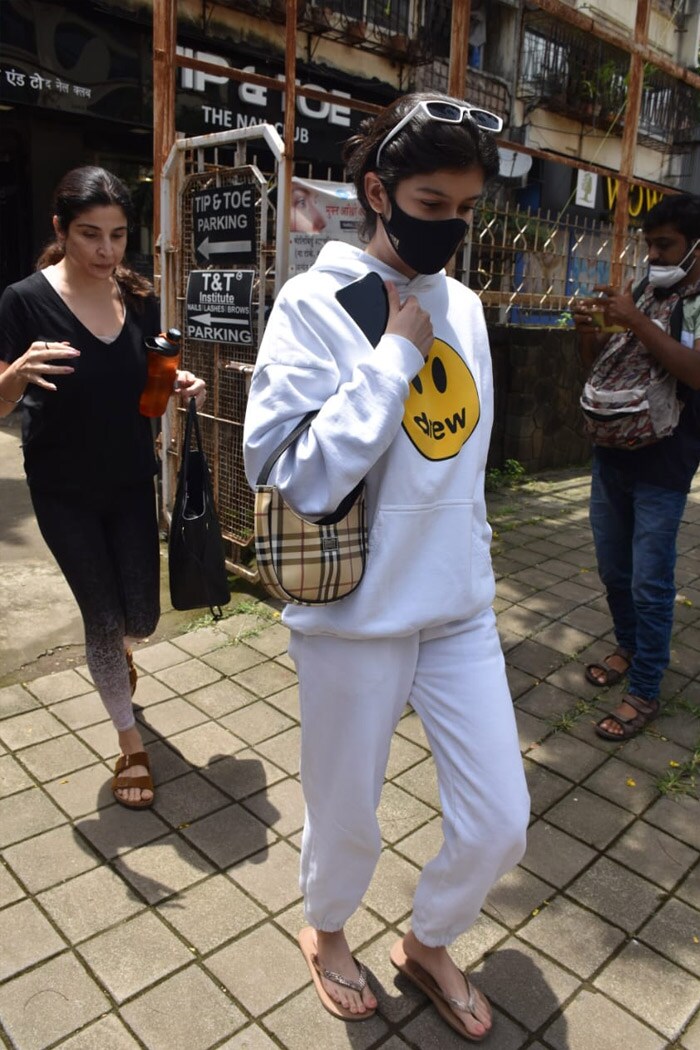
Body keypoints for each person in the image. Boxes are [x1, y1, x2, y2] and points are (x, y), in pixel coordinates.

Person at [244, 93, 530, 1040]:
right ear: (378, 191)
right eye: (432, 202)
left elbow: (465, 465)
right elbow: (291, 470)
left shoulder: (470, 308)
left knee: (500, 820)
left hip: (457, 608)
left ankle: (430, 939)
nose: (450, 225)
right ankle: (325, 929)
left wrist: (474, 559)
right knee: (345, 813)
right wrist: (391, 362)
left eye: (463, 208)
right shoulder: (313, 304)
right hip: (352, 616)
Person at [0, 166, 206, 809]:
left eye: (118, 235)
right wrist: (17, 374)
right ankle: (130, 744)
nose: (106, 251)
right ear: (61, 230)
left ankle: (120, 657)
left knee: (141, 618)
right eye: (89, 234)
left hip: (129, 480)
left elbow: (150, 375)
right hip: (63, 489)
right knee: (103, 617)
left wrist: (177, 383)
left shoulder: (137, 297)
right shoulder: (22, 300)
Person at [573, 193, 700, 740]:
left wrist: (635, 320)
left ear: (697, 247)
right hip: (611, 452)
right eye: (649, 244)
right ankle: (629, 645)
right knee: (614, 569)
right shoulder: (647, 290)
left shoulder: (693, 303)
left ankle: (645, 687)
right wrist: (591, 332)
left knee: (651, 582)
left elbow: (694, 373)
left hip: (664, 463)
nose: (653, 255)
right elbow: (604, 366)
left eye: (665, 245)